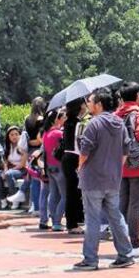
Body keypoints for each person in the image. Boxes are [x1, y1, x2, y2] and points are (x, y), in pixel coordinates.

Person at [72, 88, 134, 271]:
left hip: (93, 179)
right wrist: (116, 168)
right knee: (115, 216)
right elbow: (126, 150)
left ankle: (90, 259)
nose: (88, 104)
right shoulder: (119, 123)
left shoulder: (94, 124)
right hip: (113, 179)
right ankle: (125, 254)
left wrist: (80, 167)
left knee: (92, 219)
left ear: (99, 104)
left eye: (90, 101)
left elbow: (85, 151)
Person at [114, 82, 139, 257]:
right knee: (135, 205)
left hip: (122, 163)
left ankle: (121, 242)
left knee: (122, 204)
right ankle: (135, 244)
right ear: (138, 95)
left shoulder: (116, 115)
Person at [61, 98, 86, 233]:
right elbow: (80, 144)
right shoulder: (78, 124)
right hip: (75, 158)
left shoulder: (67, 123)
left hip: (67, 158)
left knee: (71, 191)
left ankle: (72, 222)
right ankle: (72, 224)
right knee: (74, 192)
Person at [41, 109, 67, 231]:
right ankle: (57, 221)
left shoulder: (46, 134)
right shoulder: (58, 134)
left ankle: (54, 220)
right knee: (65, 196)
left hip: (50, 167)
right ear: (56, 120)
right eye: (62, 117)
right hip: (60, 167)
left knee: (53, 194)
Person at [0, 126, 27, 209]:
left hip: (21, 169)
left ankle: (15, 199)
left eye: (16, 134)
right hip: (10, 168)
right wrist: (5, 170)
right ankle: (3, 199)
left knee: (9, 174)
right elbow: (5, 161)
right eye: (11, 135)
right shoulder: (8, 146)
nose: (14, 136)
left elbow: (22, 164)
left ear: (20, 135)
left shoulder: (23, 146)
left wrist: (9, 171)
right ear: (8, 137)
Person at [23, 97, 46, 214]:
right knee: (39, 179)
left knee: (33, 178)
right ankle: (38, 206)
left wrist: (31, 142)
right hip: (39, 152)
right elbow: (39, 139)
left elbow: (27, 137)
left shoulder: (27, 119)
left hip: (29, 151)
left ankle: (33, 204)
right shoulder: (42, 119)